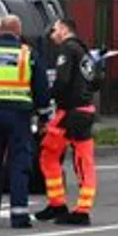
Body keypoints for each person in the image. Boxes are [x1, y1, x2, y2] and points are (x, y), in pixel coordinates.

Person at [0, 14, 52, 229]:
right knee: (19, 164)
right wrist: (43, 116)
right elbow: (41, 87)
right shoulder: (27, 53)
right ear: (18, 31)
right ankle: (19, 216)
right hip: (19, 116)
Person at [36, 18, 100, 225]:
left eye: (54, 31)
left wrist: (46, 97)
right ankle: (61, 204)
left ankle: (77, 209)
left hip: (71, 111)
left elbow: (62, 80)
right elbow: (97, 80)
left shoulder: (67, 49)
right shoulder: (85, 52)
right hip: (85, 110)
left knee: (51, 155)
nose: (52, 36)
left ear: (64, 29)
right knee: (81, 159)